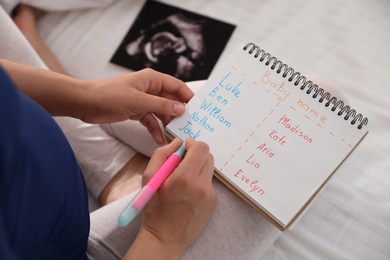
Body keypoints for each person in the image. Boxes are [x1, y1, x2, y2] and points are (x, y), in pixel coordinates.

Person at [1, 4, 282, 260]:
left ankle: (110, 164)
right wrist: (163, 237)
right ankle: (106, 161)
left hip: (39, 140)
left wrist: (86, 97)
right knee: (312, 110)